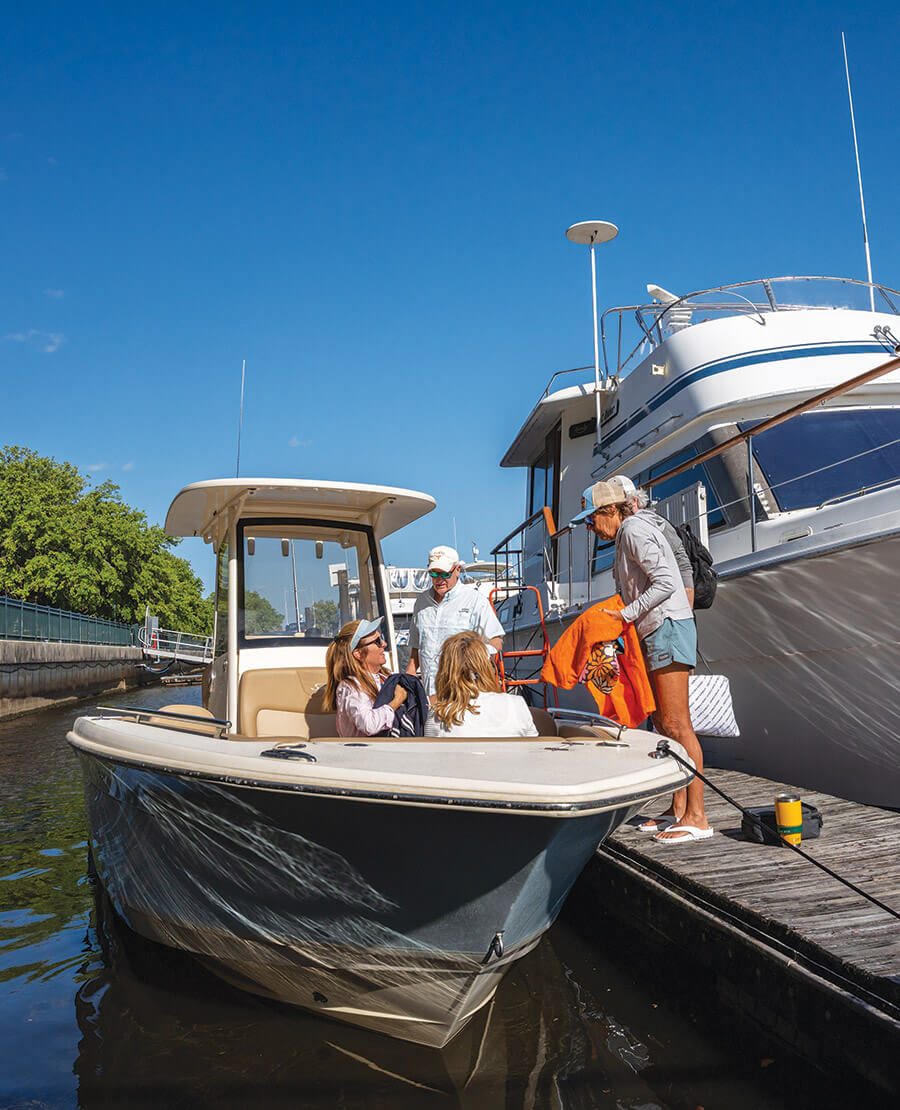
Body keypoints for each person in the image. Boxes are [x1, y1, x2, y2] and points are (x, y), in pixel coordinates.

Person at [573, 481, 711, 843]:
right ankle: (677, 808)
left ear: (608, 511)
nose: (590, 528)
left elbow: (666, 582)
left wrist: (624, 616)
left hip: (667, 627)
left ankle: (697, 817)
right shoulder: (625, 536)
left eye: (591, 520)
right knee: (663, 724)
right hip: (656, 629)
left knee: (678, 725)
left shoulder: (634, 530)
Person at [406, 546, 504, 696]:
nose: (439, 579)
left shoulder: (475, 600)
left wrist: (471, 660)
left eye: (445, 574)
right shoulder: (421, 602)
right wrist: (408, 679)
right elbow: (416, 648)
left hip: (465, 694)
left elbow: (496, 642)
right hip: (429, 695)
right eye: (434, 573)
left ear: (457, 570)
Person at [424, 631, 538, 738]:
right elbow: (534, 749)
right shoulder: (517, 705)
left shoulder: (438, 716)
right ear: (487, 667)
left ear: (445, 671)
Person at [610, 474, 694, 606]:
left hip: (669, 609)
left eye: (623, 505)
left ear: (635, 501)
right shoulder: (625, 534)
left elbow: (682, 562)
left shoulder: (657, 524)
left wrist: (687, 608)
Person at [323, 617, 407, 737]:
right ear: (358, 653)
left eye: (381, 638)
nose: (384, 644)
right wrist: (397, 700)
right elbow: (369, 725)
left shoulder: (386, 677)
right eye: (377, 641)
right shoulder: (350, 687)